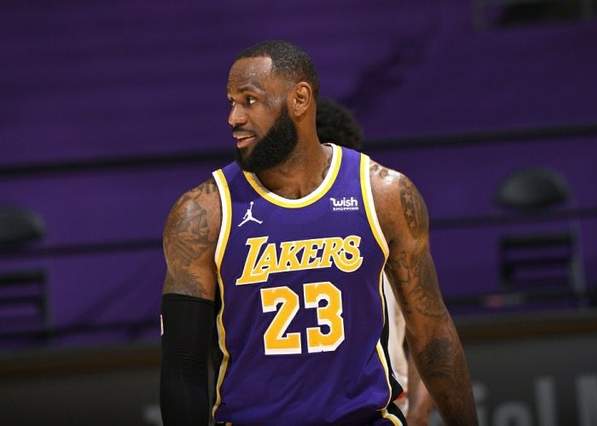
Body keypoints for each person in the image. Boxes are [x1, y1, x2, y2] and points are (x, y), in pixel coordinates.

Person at [160, 40, 477, 426]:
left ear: (300, 99)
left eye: (249, 100)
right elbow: (183, 366)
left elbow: (432, 334)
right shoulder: (201, 213)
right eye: (231, 102)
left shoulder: (384, 194)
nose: (233, 117)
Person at [316, 96, 436, 425]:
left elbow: (428, 334)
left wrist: (417, 414)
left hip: (388, 406)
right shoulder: (274, 243)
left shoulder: (381, 221)